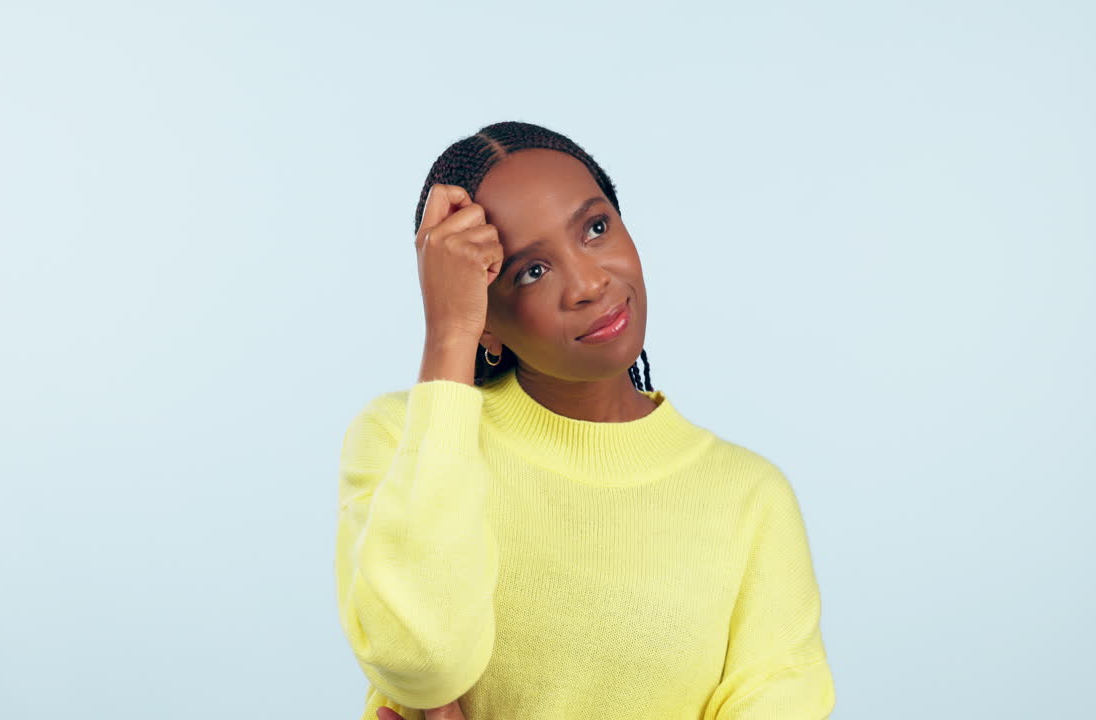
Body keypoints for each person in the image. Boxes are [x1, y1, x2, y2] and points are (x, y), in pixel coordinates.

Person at [335, 121, 836, 720]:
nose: (589, 283)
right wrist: (447, 335)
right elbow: (424, 660)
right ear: (485, 318)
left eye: (596, 228)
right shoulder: (404, 440)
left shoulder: (751, 499)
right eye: (532, 270)